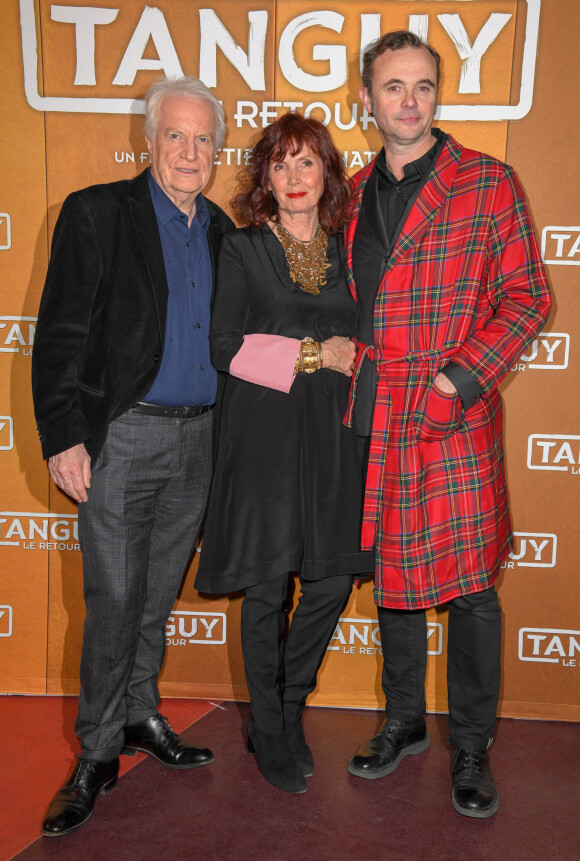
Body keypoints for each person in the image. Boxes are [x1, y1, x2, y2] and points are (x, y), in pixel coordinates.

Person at [344, 31, 551, 818]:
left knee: (470, 591)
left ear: (438, 94)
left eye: (423, 86)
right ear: (369, 98)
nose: (409, 101)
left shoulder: (488, 182)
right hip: (380, 414)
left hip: (453, 415)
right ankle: (403, 720)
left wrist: (457, 378)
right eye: (393, 87)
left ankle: (471, 742)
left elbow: (529, 296)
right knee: (395, 580)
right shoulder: (354, 190)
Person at [31, 76, 234, 837]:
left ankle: (142, 713)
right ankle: (95, 751)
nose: (189, 152)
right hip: (122, 436)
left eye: (203, 139)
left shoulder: (220, 229)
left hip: (200, 437)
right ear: (149, 142)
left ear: (218, 150)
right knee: (114, 599)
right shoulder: (96, 213)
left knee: (155, 594)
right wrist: (63, 435)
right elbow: (59, 336)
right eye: (175, 136)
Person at [196, 112, 373, 794]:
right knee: (268, 585)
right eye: (280, 164)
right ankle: (269, 729)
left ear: (327, 172)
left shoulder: (348, 249)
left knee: (330, 577)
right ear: (264, 177)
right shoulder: (242, 249)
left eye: (307, 163)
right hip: (263, 435)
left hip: (334, 438)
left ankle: (288, 703)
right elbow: (223, 345)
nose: (295, 177)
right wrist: (313, 353)